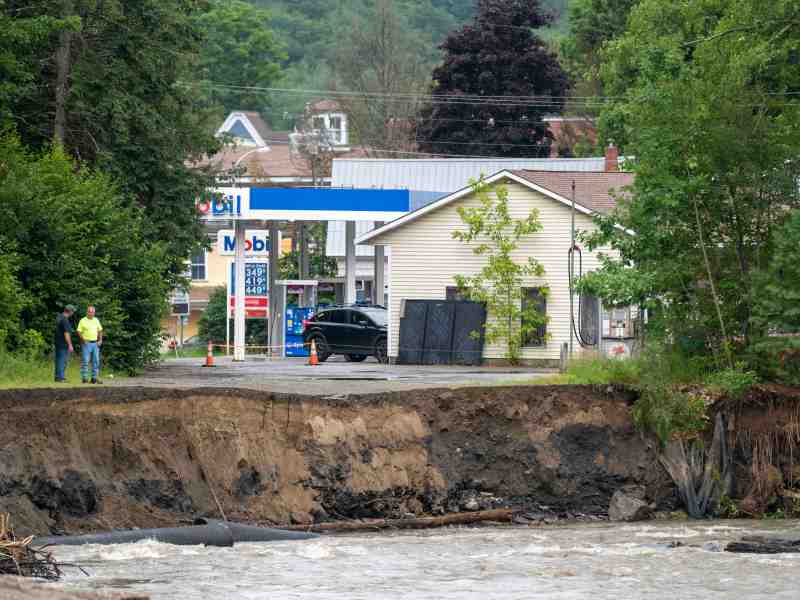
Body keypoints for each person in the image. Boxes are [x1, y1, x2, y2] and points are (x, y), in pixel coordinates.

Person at [77, 305, 104, 384]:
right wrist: (83, 339)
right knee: (85, 361)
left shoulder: (96, 320)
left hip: (95, 343)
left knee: (96, 361)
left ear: (94, 313)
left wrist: (100, 340)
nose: (91, 313)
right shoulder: (83, 320)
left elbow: (100, 330)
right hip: (86, 343)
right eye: (89, 311)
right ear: (87, 312)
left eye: (92, 312)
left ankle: (94, 378)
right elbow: (78, 331)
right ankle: (85, 378)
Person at [54, 305, 76, 382]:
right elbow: (66, 334)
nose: (73, 313)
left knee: (58, 360)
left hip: (57, 342)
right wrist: (70, 345)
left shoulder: (59, 317)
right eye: (72, 311)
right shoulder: (65, 320)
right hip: (63, 343)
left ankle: (57, 377)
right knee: (62, 361)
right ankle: (61, 378)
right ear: (70, 311)